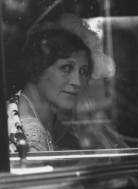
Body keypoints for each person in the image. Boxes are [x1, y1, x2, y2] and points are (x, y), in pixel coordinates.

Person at [7, 14, 115, 153]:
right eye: (66, 68)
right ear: (38, 67)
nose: (77, 82)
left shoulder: (37, 112)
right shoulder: (29, 135)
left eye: (83, 71)